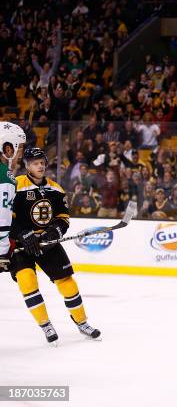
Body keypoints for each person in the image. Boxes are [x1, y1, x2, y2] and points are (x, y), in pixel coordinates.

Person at [9, 148, 101, 345]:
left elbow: (63, 218)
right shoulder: (15, 186)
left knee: (67, 281)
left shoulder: (56, 189)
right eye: (35, 163)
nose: (40, 165)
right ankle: (45, 325)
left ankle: (82, 322)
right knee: (27, 280)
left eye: (42, 162)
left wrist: (55, 232)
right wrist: (23, 234)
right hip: (20, 245)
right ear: (27, 166)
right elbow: (5, 216)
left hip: (47, 244)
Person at [0, 122, 26, 273]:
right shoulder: (5, 176)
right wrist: (4, 251)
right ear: (8, 149)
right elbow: (2, 220)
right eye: (20, 148)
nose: (21, 155)